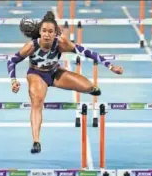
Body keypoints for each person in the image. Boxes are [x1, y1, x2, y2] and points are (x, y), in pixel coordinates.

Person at [7, 11, 124, 154]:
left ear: (56, 32)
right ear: (39, 31)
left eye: (50, 31)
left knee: (89, 86)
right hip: (37, 74)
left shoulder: (61, 43)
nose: (47, 34)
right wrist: (13, 80)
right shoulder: (31, 46)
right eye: (44, 31)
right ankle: (36, 141)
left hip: (55, 72)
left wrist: (111, 67)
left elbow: (88, 52)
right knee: (37, 102)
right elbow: (11, 61)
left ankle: (90, 89)